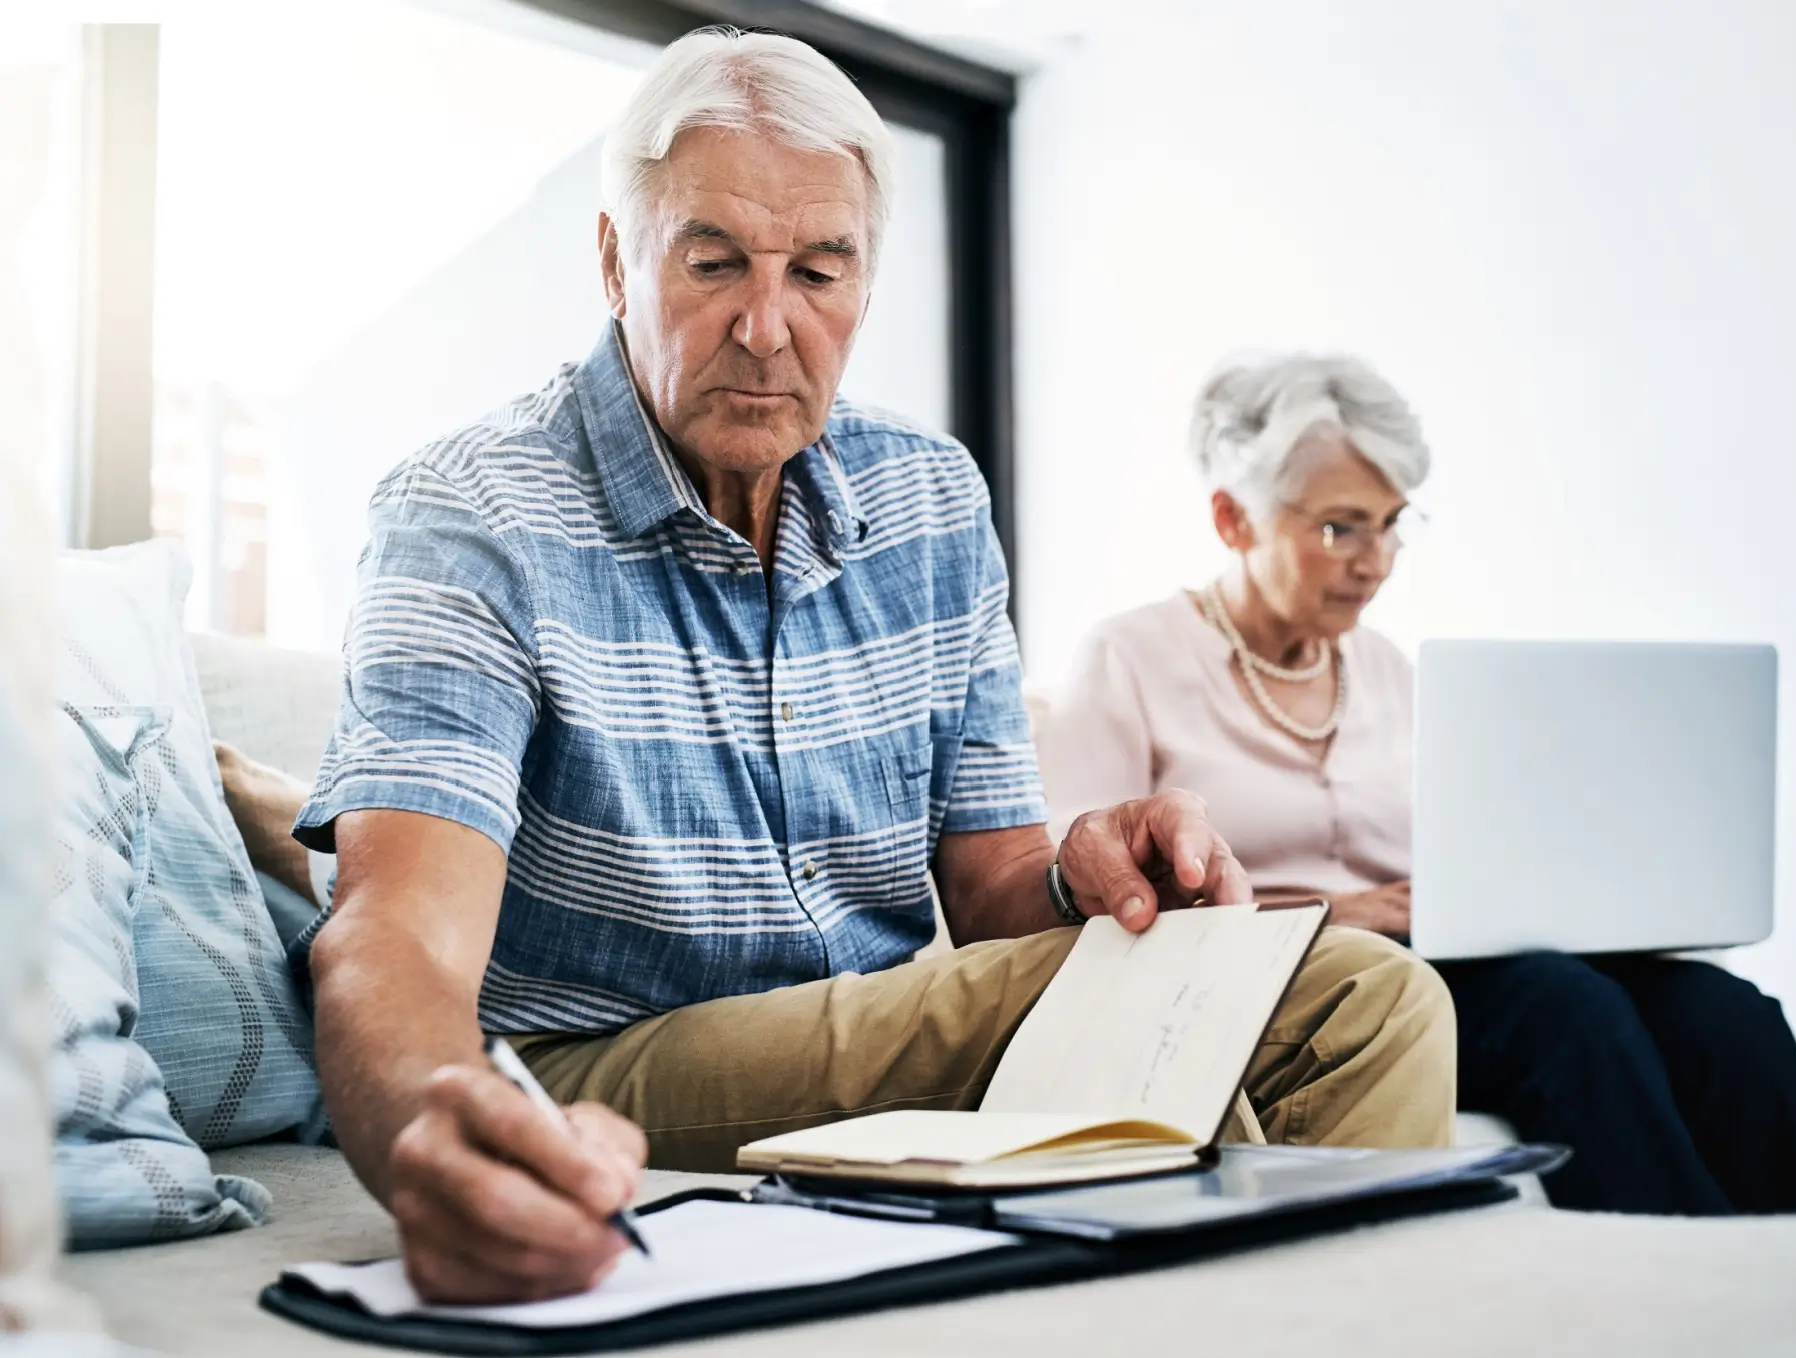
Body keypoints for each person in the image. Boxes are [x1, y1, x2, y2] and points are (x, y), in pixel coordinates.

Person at [230, 30, 1458, 1307]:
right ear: (613, 260)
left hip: (870, 1031)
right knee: (1283, 989)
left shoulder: (929, 499)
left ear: (865, 286)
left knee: (1375, 1002)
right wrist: (436, 1124)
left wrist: (1082, 869)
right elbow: (397, 928)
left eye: (818, 271)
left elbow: (995, 890)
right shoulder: (471, 510)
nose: (767, 328)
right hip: (583, 1065)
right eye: (712, 262)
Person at [1037, 353, 1796, 1217]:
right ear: (1233, 519)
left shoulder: (1388, 670)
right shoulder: (1128, 658)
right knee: (1562, 1008)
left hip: (1438, 959)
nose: (1376, 561)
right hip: (1298, 989)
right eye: (1342, 528)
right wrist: (1339, 913)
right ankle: (1684, 1281)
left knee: (1722, 1010)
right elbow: (1091, 900)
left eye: (1392, 524)